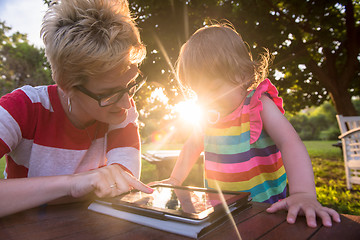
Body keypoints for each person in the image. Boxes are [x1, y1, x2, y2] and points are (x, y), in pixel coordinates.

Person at [153, 23, 341, 228]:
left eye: (214, 89)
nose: (205, 100)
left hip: (266, 211)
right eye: (199, 93)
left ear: (243, 75)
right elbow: (191, 146)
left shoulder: (258, 105)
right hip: (221, 212)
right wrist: (175, 179)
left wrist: (303, 193)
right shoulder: (207, 116)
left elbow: (290, 143)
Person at [0, 0, 153, 217]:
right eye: (109, 93)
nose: (126, 103)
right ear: (67, 87)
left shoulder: (121, 111)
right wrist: (71, 184)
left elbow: (123, 183)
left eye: (130, 85)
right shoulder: (22, 108)